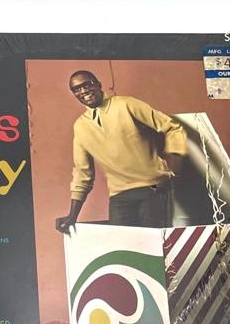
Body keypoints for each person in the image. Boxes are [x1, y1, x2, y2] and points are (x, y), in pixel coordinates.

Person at [54, 70, 187, 233]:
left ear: (98, 84)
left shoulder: (126, 104)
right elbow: (83, 173)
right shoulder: (80, 126)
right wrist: (72, 216)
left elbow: (172, 128)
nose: (83, 91)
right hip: (119, 196)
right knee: (122, 247)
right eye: (76, 89)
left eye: (87, 85)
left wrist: (174, 163)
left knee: (152, 245)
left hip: (152, 189)